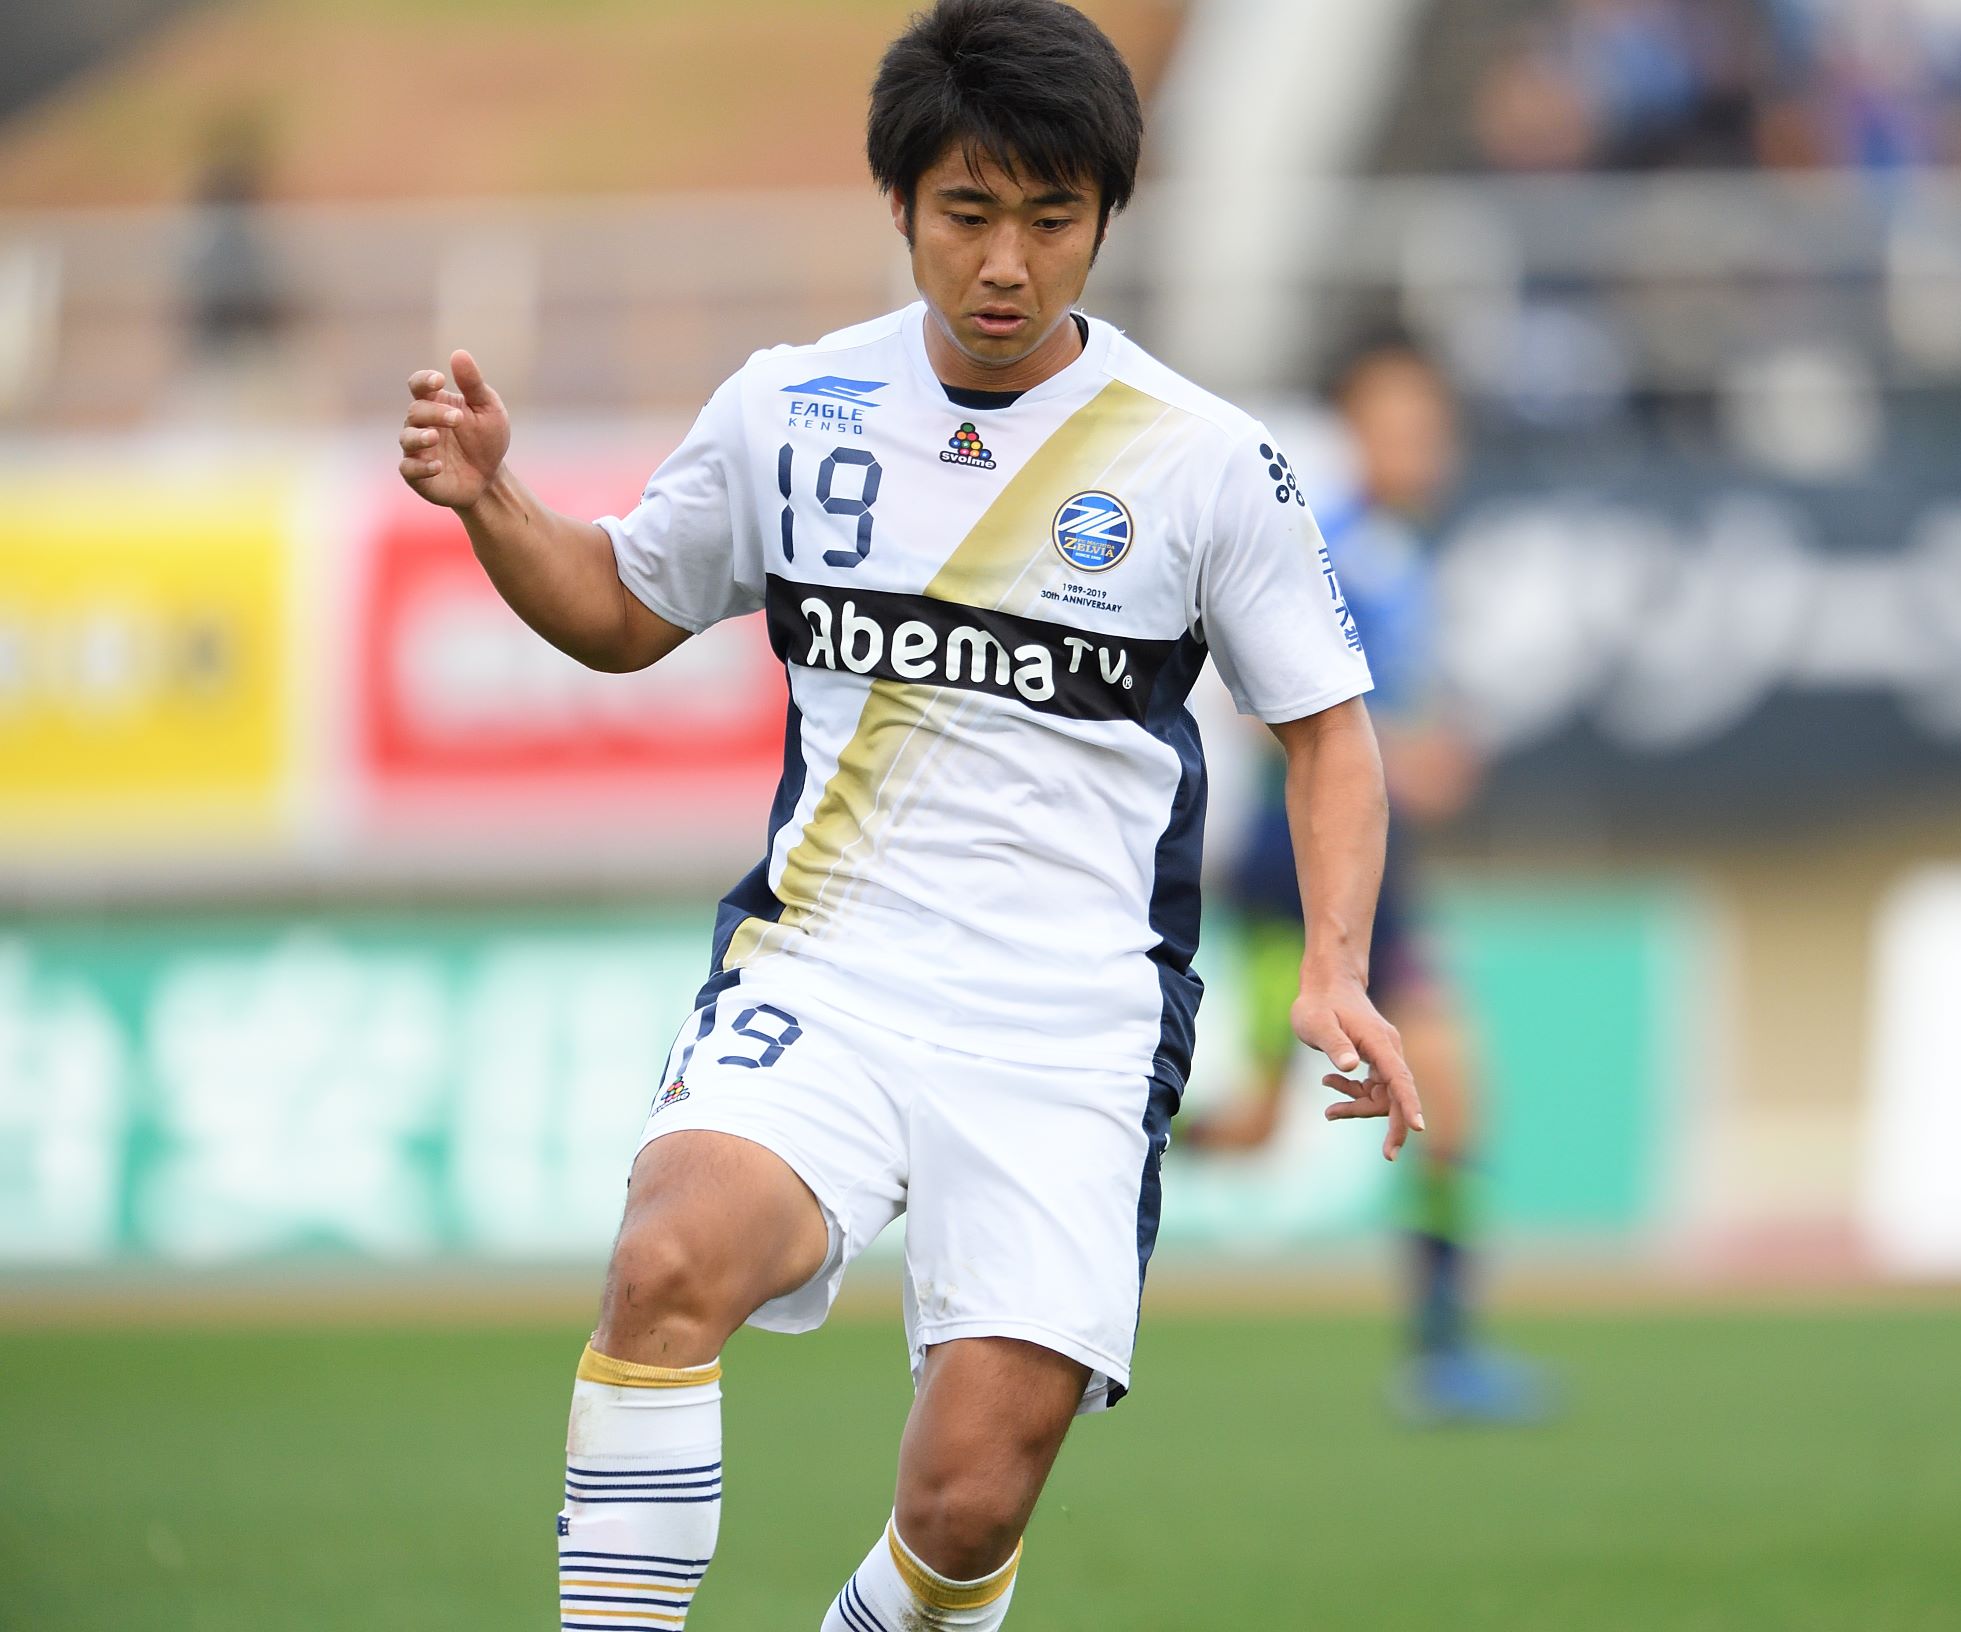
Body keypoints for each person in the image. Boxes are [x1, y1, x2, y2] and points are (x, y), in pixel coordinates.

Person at [393, 4, 1422, 1627]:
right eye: (967, 212)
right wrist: (493, 501)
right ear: (898, 204)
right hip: (831, 967)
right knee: (666, 1258)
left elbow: (1327, 733)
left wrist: (1335, 970)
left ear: (1106, 216)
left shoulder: (1206, 460)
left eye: (1050, 217)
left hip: (1071, 1022)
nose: (1005, 262)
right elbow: (621, 609)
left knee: (964, 1503)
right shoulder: (788, 408)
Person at [1185, 336, 1552, 1425]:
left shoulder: (1396, 552)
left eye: (1429, 426)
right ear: (1349, 432)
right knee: (1284, 1122)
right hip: (1299, 870)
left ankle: (1443, 1352)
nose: (1417, 446)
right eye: (1394, 424)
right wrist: (1407, 756)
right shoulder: (1333, 548)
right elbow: (1270, 712)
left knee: (1427, 1091)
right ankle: (1076, 1150)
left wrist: (1412, 751)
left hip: (1361, 871)